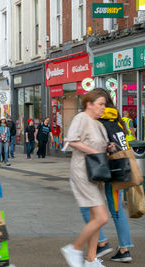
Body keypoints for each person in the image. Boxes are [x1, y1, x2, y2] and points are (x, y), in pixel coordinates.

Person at [80, 88, 133, 263]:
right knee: (116, 211)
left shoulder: (100, 121)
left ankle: (103, 243)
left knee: (88, 206)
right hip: (121, 170)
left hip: (105, 170)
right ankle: (124, 248)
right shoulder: (117, 121)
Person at [61, 90, 113, 267]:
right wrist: (95, 151)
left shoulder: (97, 124)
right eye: (100, 104)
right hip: (83, 171)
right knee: (101, 217)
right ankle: (74, 248)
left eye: (104, 104)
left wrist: (109, 147)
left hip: (96, 172)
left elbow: (100, 145)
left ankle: (91, 260)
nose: (103, 108)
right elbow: (72, 140)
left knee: (95, 218)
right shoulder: (81, 118)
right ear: (89, 104)